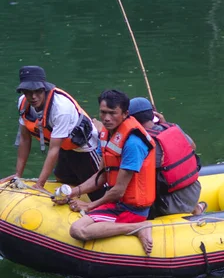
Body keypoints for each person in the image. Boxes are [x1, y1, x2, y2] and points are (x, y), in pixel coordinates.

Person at [58, 90, 156, 256]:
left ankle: (139, 226)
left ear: (125, 114)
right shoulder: (107, 134)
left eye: (113, 113)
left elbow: (118, 191)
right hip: (117, 204)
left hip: (131, 210)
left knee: (77, 230)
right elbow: (102, 176)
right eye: (103, 113)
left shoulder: (133, 143)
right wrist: (71, 193)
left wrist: (90, 205)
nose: (107, 118)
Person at [9, 66, 104, 200]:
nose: (33, 96)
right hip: (64, 146)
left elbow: (54, 149)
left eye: (37, 91)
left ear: (44, 88)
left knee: (98, 191)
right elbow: (25, 140)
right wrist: (17, 175)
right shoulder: (23, 104)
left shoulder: (60, 108)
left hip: (85, 148)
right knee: (62, 177)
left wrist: (40, 184)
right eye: (28, 92)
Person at [128, 97, 204, 217]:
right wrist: (164, 124)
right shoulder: (173, 128)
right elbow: (192, 146)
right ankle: (196, 208)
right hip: (194, 191)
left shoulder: (142, 142)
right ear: (153, 114)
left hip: (169, 204)